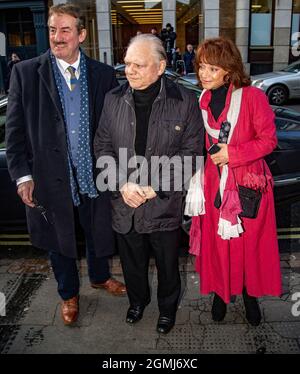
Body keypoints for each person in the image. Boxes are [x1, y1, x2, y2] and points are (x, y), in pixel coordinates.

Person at [5, 3, 126, 326]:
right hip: (48, 179)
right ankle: (68, 294)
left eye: (66, 30)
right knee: (59, 240)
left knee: (98, 231)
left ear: (81, 35)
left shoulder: (102, 74)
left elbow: (115, 126)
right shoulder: (27, 73)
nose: (57, 37)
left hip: (95, 176)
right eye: (53, 29)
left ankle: (100, 277)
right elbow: (14, 132)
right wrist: (22, 177)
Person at [94, 34, 203, 334]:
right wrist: (122, 185)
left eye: (139, 65)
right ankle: (137, 301)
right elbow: (102, 147)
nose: (130, 71)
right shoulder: (113, 99)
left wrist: (154, 187)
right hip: (125, 202)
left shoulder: (184, 101)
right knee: (131, 263)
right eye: (127, 63)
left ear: (160, 67)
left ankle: (167, 310)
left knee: (168, 266)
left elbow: (192, 154)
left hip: (163, 203)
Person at [189, 37, 282, 326]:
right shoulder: (203, 100)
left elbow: (269, 141)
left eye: (212, 69)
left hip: (247, 185)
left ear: (228, 71)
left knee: (247, 245)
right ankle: (220, 292)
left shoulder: (253, 97)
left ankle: (250, 295)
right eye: (201, 67)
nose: (204, 74)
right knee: (219, 244)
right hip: (214, 184)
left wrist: (233, 153)